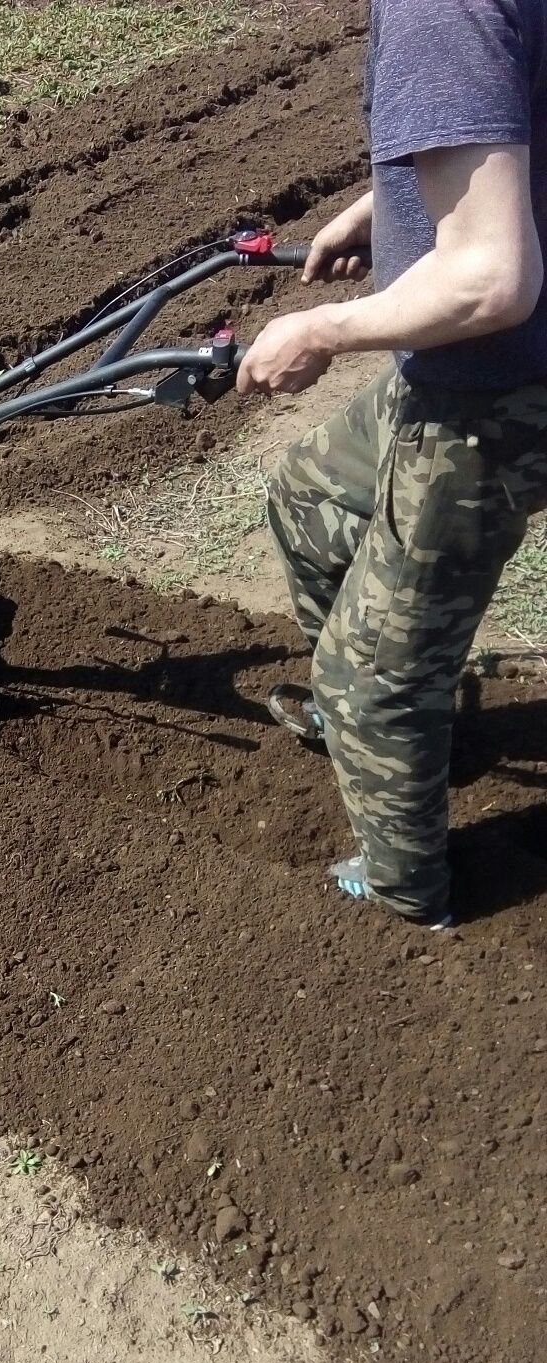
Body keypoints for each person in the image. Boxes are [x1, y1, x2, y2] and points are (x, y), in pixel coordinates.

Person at [235, 0, 547, 928]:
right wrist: (397, 201)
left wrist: (324, 329)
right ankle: (404, 724)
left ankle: (405, 884)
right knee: (307, 497)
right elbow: (510, 115)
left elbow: (490, 279)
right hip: (490, 371)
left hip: (492, 395)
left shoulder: (435, 5)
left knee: (367, 681)